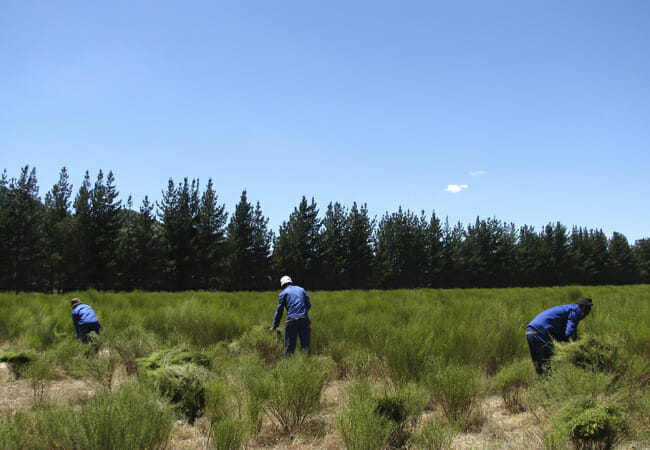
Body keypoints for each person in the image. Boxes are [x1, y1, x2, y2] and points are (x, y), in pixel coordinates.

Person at [526, 297, 593, 375]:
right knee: (547, 361)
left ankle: (541, 383)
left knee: (538, 362)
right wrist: (576, 346)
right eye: (588, 310)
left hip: (530, 331)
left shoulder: (567, 309)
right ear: (584, 308)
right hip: (541, 332)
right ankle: (547, 383)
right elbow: (570, 331)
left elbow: (561, 332)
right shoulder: (576, 310)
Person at [269, 276, 311, 355]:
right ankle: (306, 363)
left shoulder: (283, 293)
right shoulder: (301, 289)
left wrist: (275, 326)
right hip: (304, 319)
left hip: (291, 321)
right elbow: (308, 305)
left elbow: (279, 311)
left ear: (282, 285)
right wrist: (302, 313)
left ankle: (288, 364)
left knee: (289, 347)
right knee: (305, 347)